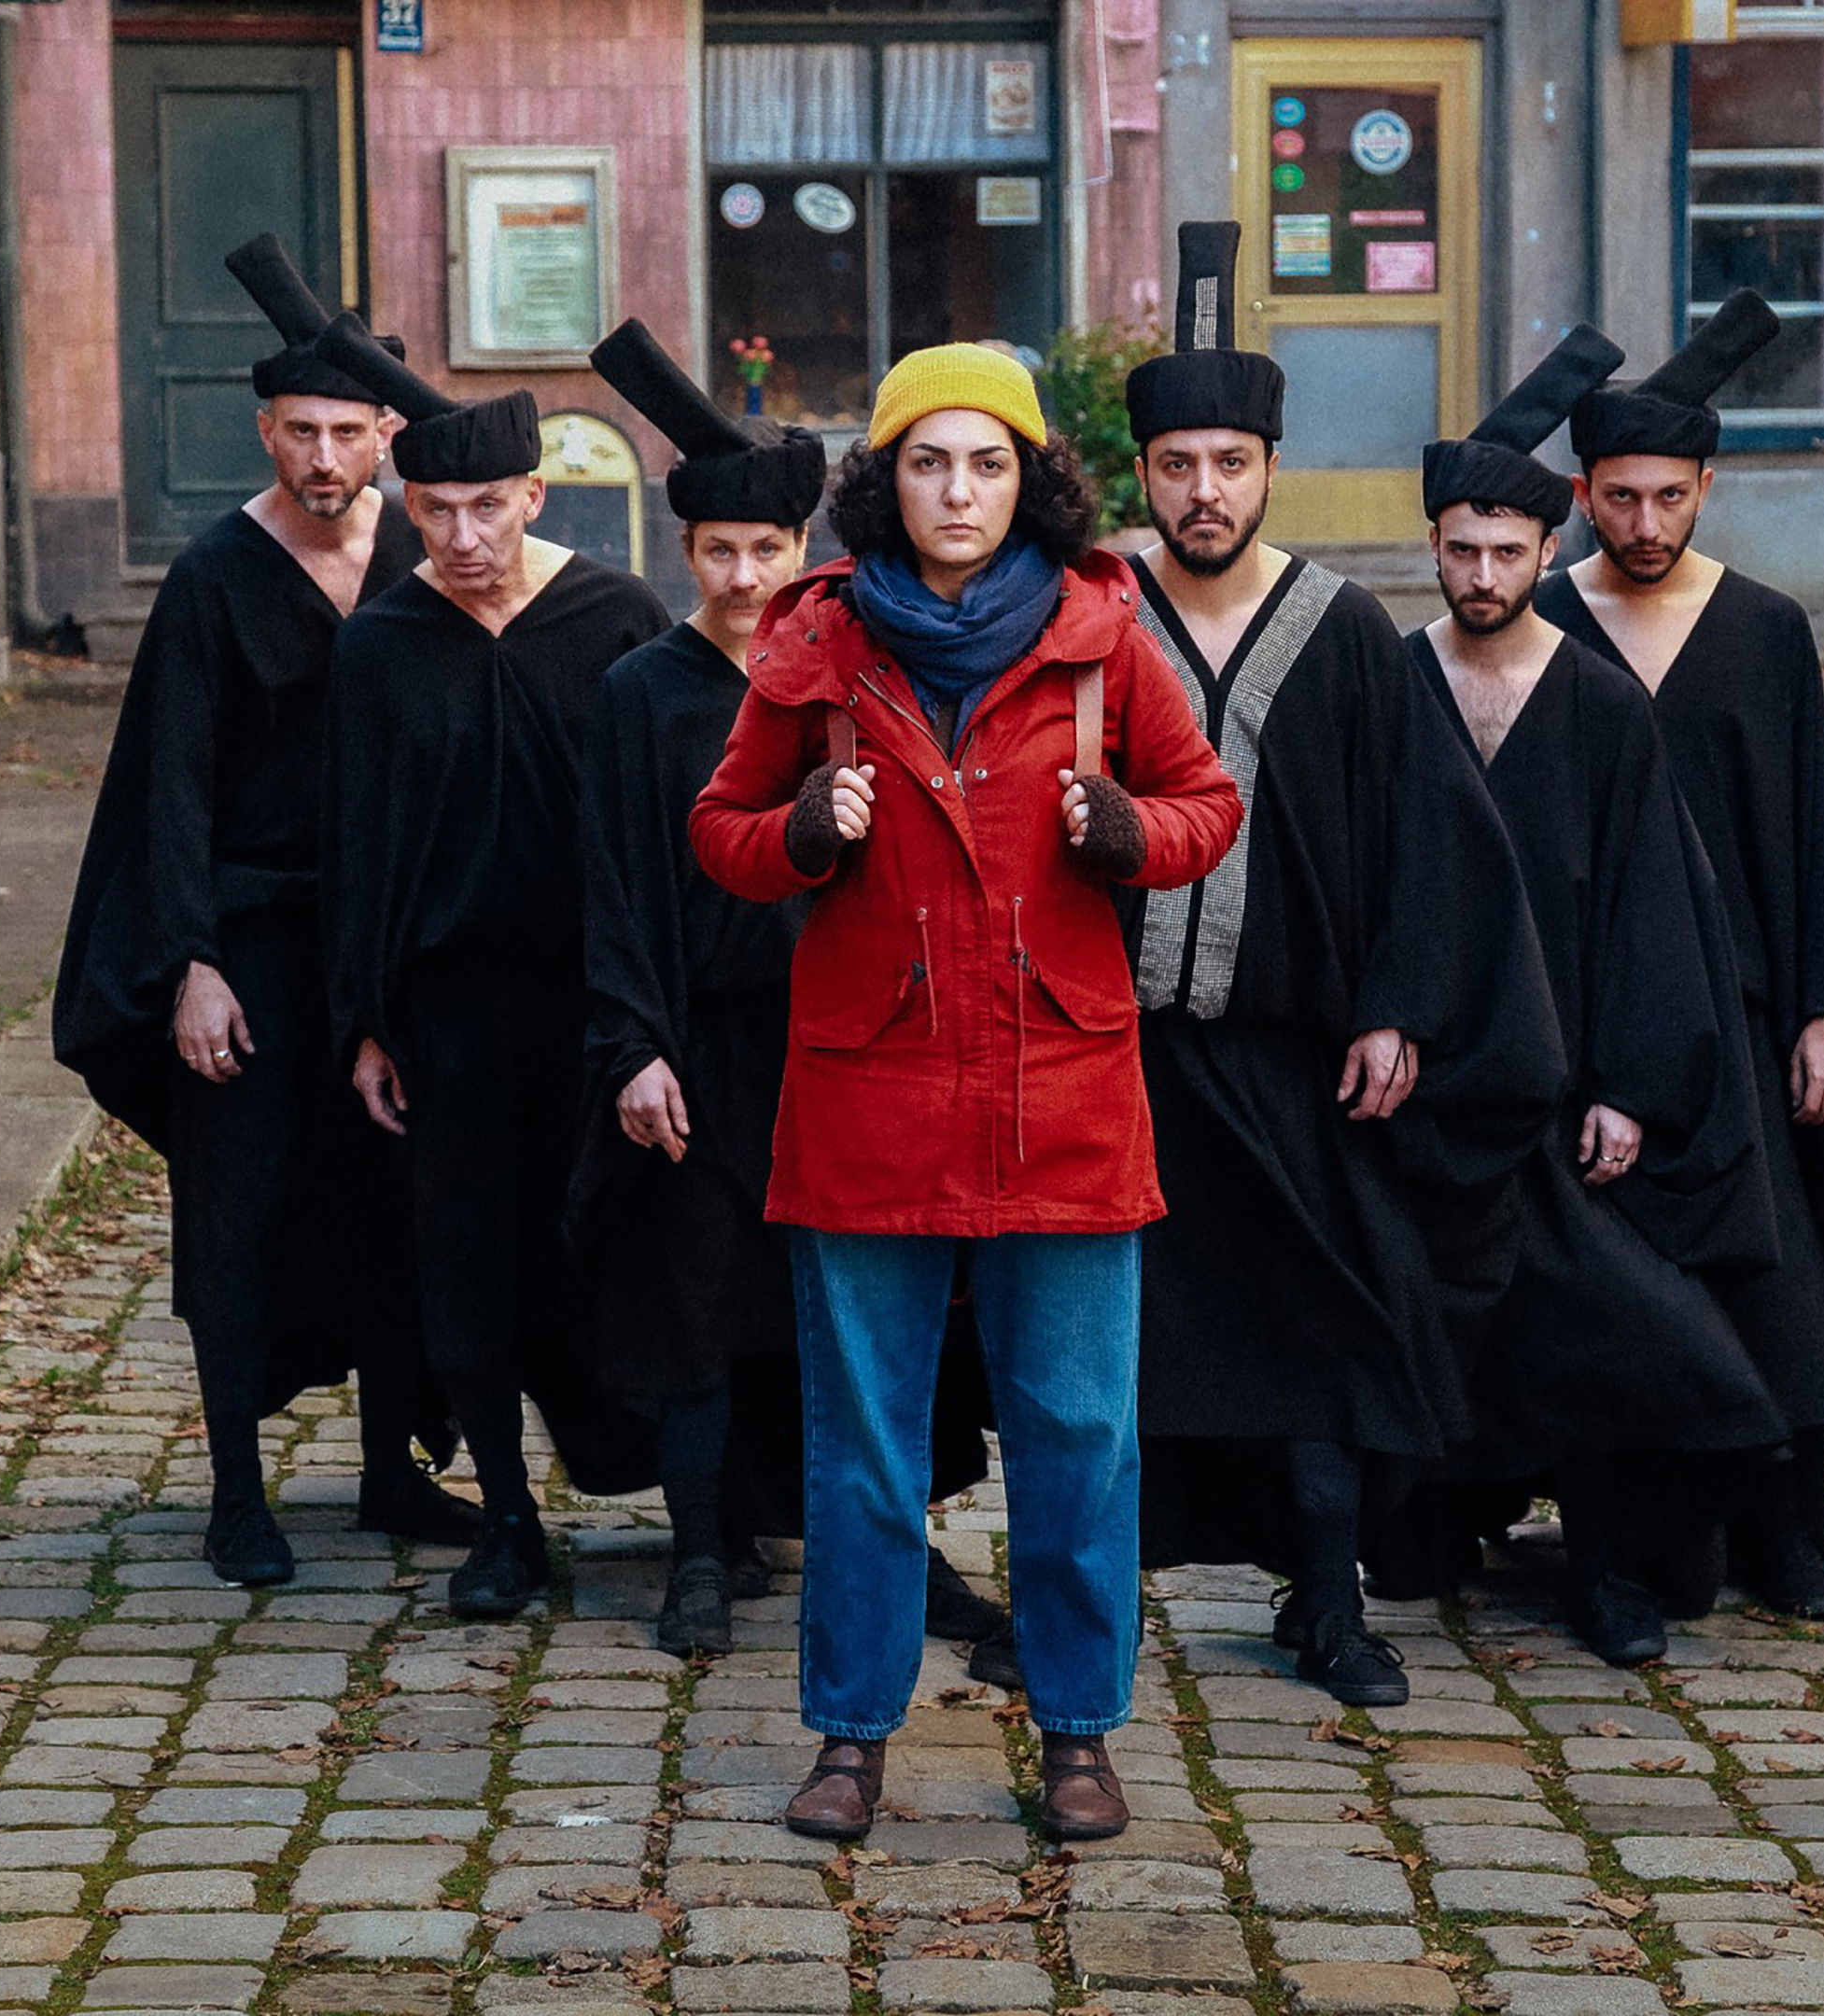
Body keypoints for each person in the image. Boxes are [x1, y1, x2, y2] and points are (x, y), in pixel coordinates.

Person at [691, 342, 1242, 1842]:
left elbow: (1208, 804)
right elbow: (722, 828)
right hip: (868, 1090)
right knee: (863, 1445)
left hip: (1062, 1089)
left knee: (1079, 1434)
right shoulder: (818, 641)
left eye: (987, 463)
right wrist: (803, 832)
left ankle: (1078, 1732)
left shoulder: (1103, 635)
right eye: (929, 462)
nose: (959, 491)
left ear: (1029, 480)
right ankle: (851, 1734)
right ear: (887, 481)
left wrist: (1128, 834)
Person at [1110, 224, 1561, 1707]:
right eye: (1179, 465)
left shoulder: (1346, 633)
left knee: (1322, 1332)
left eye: (1231, 464)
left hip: (1293, 1057)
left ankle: (1327, 1600)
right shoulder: (1091, 619)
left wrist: (1400, 1008)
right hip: (1115, 1054)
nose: (1206, 491)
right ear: (1143, 474)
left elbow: (1436, 839)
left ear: (1270, 470)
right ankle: (1080, 1606)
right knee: (1106, 1343)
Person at [571, 319, 1009, 1659]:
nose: (745, 577)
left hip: (853, 1040)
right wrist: (635, 1047)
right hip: (705, 1042)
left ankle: (894, 1546)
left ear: (805, 548)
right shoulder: (641, 692)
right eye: (719, 552)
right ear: (684, 553)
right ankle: (702, 1549)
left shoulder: (851, 670)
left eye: (767, 550)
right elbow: (614, 880)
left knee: (872, 1315)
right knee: (700, 1300)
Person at [52, 235, 471, 1589]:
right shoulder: (214, 577)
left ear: (388, 434)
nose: (324, 456)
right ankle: (238, 1492)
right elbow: (167, 789)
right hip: (253, 940)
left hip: (393, 945)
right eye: (301, 431)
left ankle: (393, 1472)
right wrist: (191, 962)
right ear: (266, 432)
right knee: (236, 1213)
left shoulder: (426, 553)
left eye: (349, 431)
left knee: (398, 1202)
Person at [1401, 326, 1791, 1664]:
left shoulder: (1601, 703)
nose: (1486, 575)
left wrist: (1629, 1085)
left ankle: (1615, 1564)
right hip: (1440, 1081)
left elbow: (1652, 909)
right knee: (1444, 1313)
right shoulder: (1396, 683)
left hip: (1573, 1085)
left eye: (1508, 553)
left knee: (1627, 1329)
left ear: (1542, 548)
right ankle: (1432, 1527)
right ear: (1434, 548)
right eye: (1464, 551)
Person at [1530, 289, 1824, 1622]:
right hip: (1594, 1023)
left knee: (1774, 1272)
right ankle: (1618, 1550)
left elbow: (1812, 829)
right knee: (1617, 1289)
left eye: (1669, 499)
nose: (1645, 525)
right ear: (1581, 494)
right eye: (1620, 499)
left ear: (1707, 490)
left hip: (1744, 1009)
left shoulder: (1762, 628)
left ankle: (1784, 1531)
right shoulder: (1541, 623)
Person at [316, 312, 676, 1620]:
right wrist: (365, 1020)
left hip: (596, 1002)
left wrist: (656, 1016)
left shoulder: (617, 618)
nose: (463, 539)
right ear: (405, 507)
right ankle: (508, 1522)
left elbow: (659, 830)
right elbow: (356, 843)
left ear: (535, 494)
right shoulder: (381, 642)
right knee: (467, 1255)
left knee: (623, 1244)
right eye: (435, 513)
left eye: (487, 509)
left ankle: (699, 1505)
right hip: (451, 1007)